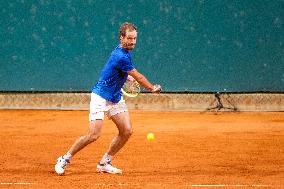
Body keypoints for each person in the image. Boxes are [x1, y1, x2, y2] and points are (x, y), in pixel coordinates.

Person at [55, 22, 161, 175]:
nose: (132, 42)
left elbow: (119, 72)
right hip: (100, 97)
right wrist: (151, 88)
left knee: (126, 131)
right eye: (129, 38)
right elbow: (138, 75)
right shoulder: (121, 56)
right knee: (94, 135)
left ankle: (105, 162)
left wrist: (126, 77)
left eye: (135, 39)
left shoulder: (125, 53)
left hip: (115, 97)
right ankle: (64, 158)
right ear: (121, 37)